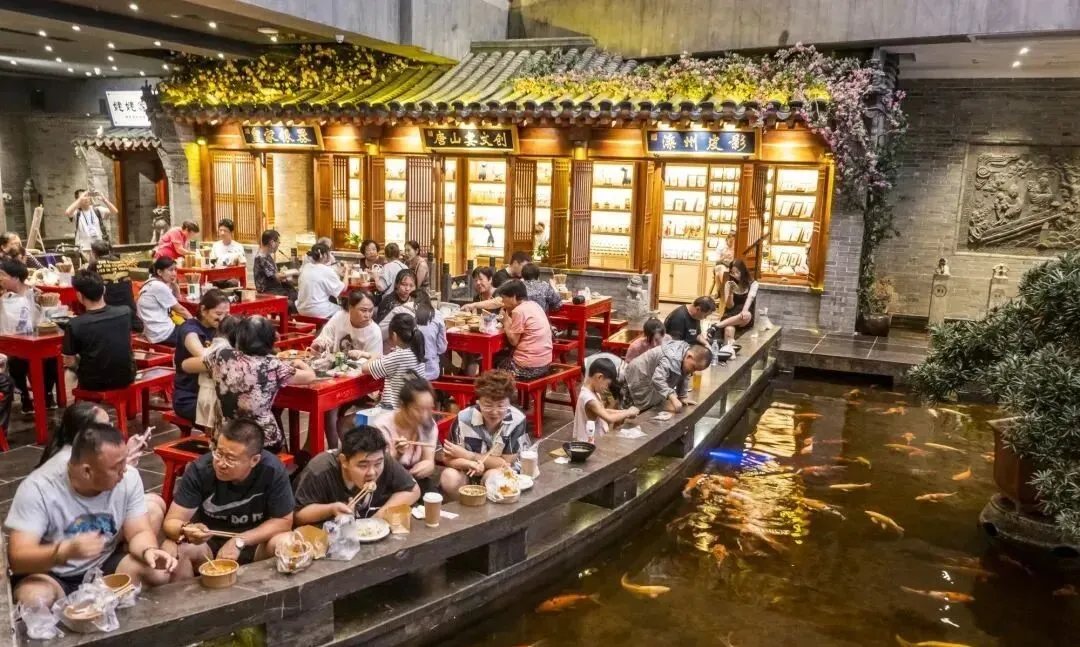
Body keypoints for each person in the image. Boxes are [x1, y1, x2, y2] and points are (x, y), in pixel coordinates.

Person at [5, 423, 176, 606]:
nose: (124, 470)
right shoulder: (38, 489)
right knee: (34, 599)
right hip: (53, 573)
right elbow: (18, 558)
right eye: (116, 467)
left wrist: (149, 550)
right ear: (87, 471)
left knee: (156, 573)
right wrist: (64, 552)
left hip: (102, 565)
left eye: (124, 462)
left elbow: (138, 532)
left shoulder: (128, 478)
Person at [163, 418, 294, 576]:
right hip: (208, 544)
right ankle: (189, 592)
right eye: (218, 453)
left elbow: (284, 521)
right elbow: (171, 522)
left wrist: (240, 540)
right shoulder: (201, 470)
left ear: (254, 460)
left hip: (256, 542)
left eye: (230, 459)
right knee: (174, 549)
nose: (221, 463)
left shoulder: (272, 470)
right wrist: (186, 529)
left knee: (286, 542)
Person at [184, 316, 316, 453]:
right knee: (273, 432)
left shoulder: (222, 356)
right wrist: (301, 363)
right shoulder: (273, 364)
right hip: (261, 439)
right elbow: (310, 377)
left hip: (224, 436)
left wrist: (213, 366)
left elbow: (186, 365)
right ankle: (284, 463)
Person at [33, 403, 164, 527]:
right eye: (106, 427)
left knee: (156, 501)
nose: (111, 430)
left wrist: (123, 458)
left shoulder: (77, 451)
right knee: (153, 510)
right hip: (78, 526)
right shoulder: (71, 464)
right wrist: (123, 467)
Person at [293, 424, 420, 525]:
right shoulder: (320, 469)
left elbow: (413, 490)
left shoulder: (382, 459)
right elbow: (297, 515)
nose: (372, 472)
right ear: (344, 461)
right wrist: (331, 509)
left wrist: (379, 517)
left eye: (377, 464)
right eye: (363, 465)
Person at [440, 370, 529, 498]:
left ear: (509, 403)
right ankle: (466, 504)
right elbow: (448, 459)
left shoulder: (517, 420)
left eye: (501, 406)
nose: (494, 412)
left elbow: (505, 463)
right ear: (478, 401)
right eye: (488, 405)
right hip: (468, 471)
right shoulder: (463, 418)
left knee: (493, 477)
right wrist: (468, 463)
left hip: (501, 472)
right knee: (449, 476)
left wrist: (468, 455)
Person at [0, 259, 57, 413]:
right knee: (15, 361)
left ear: (15, 278)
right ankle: (25, 396)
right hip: (10, 343)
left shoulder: (34, 294)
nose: (1, 278)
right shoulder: (3, 298)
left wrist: (40, 302)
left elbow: (44, 318)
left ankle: (47, 393)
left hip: (35, 339)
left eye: (3, 275)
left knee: (51, 358)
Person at [63, 270, 134, 391]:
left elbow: (69, 360)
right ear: (104, 290)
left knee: (73, 368)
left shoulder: (75, 324)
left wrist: (79, 368)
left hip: (93, 382)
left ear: (79, 295)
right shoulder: (125, 312)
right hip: (126, 377)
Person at [173, 289, 230, 424]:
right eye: (218, 314)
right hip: (191, 396)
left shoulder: (221, 326)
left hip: (217, 392)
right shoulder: (189, 329)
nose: (222, 318)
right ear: (203, 310)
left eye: (226, 314)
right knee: (229, 418)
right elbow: (203, 355)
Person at [371, 375, 438, 491]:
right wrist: (397, 454)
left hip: (415, 479)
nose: (424, 415)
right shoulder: (381, 427)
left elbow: (429, 460)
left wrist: (428, 465)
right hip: (386, 481)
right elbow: (378, 469)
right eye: (418, 409)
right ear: (402, 405)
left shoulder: (428, 424)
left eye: (429, 409)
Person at [622, 340, 712, 413]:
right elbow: (658, 379)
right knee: (631, 412)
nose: (693, 371)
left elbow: (684, 375)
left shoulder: (685, 354)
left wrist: (682, 396)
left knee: (648, 409)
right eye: (694, 367)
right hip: (636, 377)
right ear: (689, 357)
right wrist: (672, 397)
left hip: (649, 379)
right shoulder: (672, 357)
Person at [358, 312, 424, 411]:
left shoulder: (398, 356)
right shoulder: (417, 351)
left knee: (348, 418)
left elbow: (364, 369)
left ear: (394, 335)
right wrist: (368, 355)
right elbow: (389, 362)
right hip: (409, 409)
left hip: (393, 411)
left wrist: (373, 356)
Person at [496, 280, 552, 381]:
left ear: (513, 297)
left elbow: (513, 341)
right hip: (545, 363)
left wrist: (505, 321)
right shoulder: (534, 305)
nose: (502, 302)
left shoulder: (519, 311)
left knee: (496, 364)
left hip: (527, 367)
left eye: (503, 298)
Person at [574, 358, 639, 442]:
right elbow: (609, 418)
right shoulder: (589, 399)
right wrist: (628, 412)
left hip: (595, 439)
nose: (606, 388)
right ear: (599, 377)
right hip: (590, 443)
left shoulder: (591, 391)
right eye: (607, 384)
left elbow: (604, 411)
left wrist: (625, 412)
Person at [195, 315, 239, 430]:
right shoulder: (226, 350)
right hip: (215, 396)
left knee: (210, 430)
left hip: (204, 393)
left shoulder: (212, 346)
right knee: (220, 430)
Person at [88, 240, 142, 333]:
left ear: (94, 252)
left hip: (109, 308)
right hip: (129, 308)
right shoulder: (121, 261)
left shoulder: (94, 265)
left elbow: (88, 283)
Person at [137, 257, 191, 346]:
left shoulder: (151, 282)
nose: (174, 273)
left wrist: (174, 285)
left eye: (175, 270)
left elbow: (177, 300)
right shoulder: (159, 286)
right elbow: (181, 310)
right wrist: (195, 324)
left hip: (154, 332)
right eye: (170, 270)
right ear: (159, 272)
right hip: (164, 334)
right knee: (197, 332)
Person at [312, 290, 382, 356]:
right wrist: (319, 344)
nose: (367, 315)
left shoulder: (374, 332)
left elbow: (374, 360)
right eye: (364, 310)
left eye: (371, 310)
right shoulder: (340, 316)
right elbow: (326, 337)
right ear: (350, 308)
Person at [717, 258, 759, 351]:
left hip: (744, 315)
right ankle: (727, 353)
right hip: (730, 314)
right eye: (732, 272)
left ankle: (717, 326)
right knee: (729, 330)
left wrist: (744, 311)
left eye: (737, 272)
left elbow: (750, 298)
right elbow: (730, 306)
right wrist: (730, 293)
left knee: (746, 315)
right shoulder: (729, 284)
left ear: (743, 271)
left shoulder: (753, 284)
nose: (735, 275)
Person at [297, 242, 344, 319]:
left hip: (301, 309)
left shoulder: (306, 267)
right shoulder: (326, 270)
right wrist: (347, 271)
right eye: (329, 253)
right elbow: (342, 289)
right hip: (318, 310)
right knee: (344, 311)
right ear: (325, 255)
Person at [253, 230, 297, 309]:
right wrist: (294, 271)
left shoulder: (267, 255)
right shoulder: (261, 257)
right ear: (272, 242)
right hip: (267, 291)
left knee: (295, 295)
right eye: (278, 242)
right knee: (292, 304)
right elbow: (276, 276)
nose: (278, 245)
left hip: (274, 288)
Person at [709, 233, 737, 299]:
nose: (732, 243)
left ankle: (719, 291)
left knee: (720, 275)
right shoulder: (721, 247)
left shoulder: (735, 247)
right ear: (727, 240)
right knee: (723, 271)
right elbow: (717, 261)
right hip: (720, 265)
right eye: (730, 241)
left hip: (731, 266)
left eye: (733, 242)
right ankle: (725, 289)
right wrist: (724, 258)